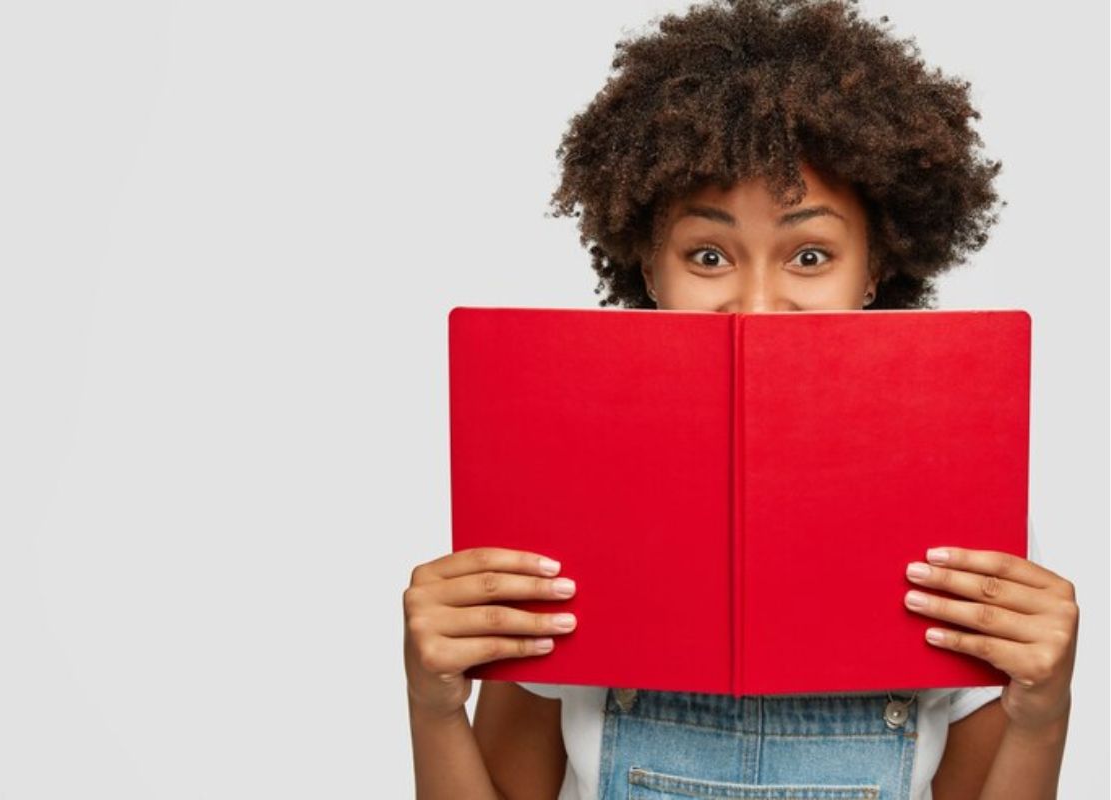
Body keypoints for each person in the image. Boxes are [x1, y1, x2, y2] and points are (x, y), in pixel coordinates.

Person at [403, 1, 1078, 798]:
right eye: (710, 254)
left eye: (812, 253)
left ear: (874, 270)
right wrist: (430, 704)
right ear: (650, 268)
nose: (757, 307)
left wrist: (1046, 711)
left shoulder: (957, 510)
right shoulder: (567, 489)